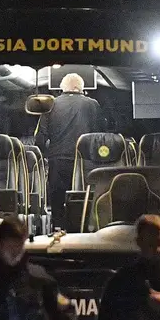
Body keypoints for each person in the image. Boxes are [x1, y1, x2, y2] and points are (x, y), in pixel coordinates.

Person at [33, 72, 102, 228]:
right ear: (80, 88)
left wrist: (45, 156)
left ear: (62, 88)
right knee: (83, 197)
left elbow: (39, 138)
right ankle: (82, 229)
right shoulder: (93, 105)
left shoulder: (50, 105)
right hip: (84, 161)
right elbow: (100, 135)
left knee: (58, 201)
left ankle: (59, 230)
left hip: (58, 159)